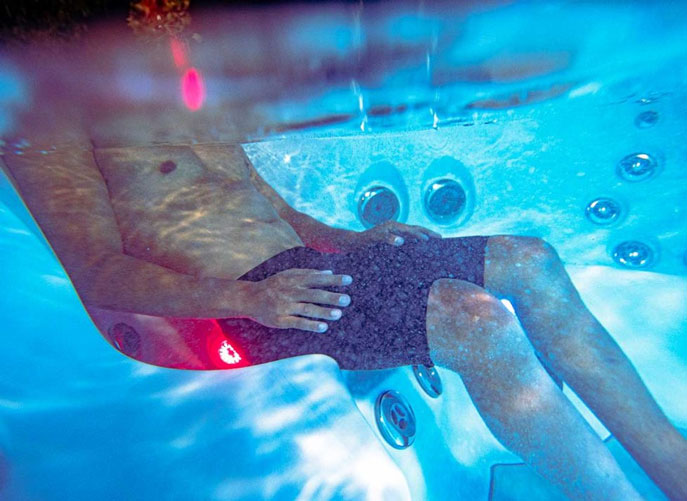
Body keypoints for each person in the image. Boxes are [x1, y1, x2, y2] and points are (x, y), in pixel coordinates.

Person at [4, 141, 686, 501]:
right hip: (244, 303)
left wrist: (352, 240)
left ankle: (672, 465)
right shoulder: (53, 111)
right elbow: (96, 269)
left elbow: (278, 215)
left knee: (531, 259)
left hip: (309, 269)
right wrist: (247, 300)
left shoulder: (181, 91)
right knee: (474, 321)